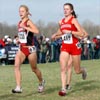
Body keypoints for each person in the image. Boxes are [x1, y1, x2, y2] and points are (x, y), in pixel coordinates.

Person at [51, 3, 88, 96]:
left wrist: (71, 32)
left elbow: (81, 33)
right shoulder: (61, 22)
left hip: (75, 46)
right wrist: (55, 35)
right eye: (64, 9)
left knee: (77, 70)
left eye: (67, 9)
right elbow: (61, 32)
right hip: (65, 46)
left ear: (71, 11)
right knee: (63, 68)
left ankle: (83, 70)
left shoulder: (73, 20)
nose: (65, 11)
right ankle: (63, 89)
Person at [12, 5, 45, 93]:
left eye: (22, 11)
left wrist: (26, 27)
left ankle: (41, 82)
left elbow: (36, 31)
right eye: (20, 11)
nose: (20, 13)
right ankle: (18, 87)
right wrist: (19, 39)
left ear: (27, 12)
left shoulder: (28, 22)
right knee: (16, 66)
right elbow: (23, 35)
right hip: (22, 48)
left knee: (34, 69)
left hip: (30, 49)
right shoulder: (19, 23)